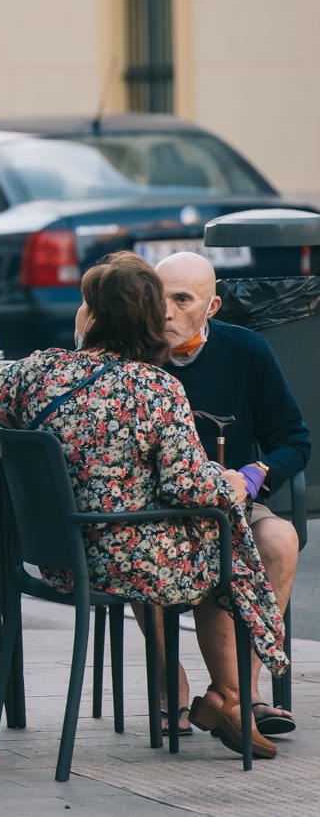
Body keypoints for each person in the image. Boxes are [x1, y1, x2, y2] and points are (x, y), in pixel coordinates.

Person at [0, 251, 289, 759]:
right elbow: (191, 487)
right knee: (223, 546)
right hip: (129, 563)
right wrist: (233, 482)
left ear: (93, 317)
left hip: (60, 559)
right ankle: (233, 697)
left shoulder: (41, 370)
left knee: (217, 542)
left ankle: (223, 698)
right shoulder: (156, 389)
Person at [153, 251, 306, 738]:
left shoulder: (247, 350)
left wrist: (256, 473)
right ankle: (168, 684)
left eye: (182, 299)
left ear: (213, 306)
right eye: (157, 299)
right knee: (143, 548)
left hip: (232, 502)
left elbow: (294, 439)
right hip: (154, 510)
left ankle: (242, 692)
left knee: (281, 539)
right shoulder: (133, 355)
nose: (166, 313)